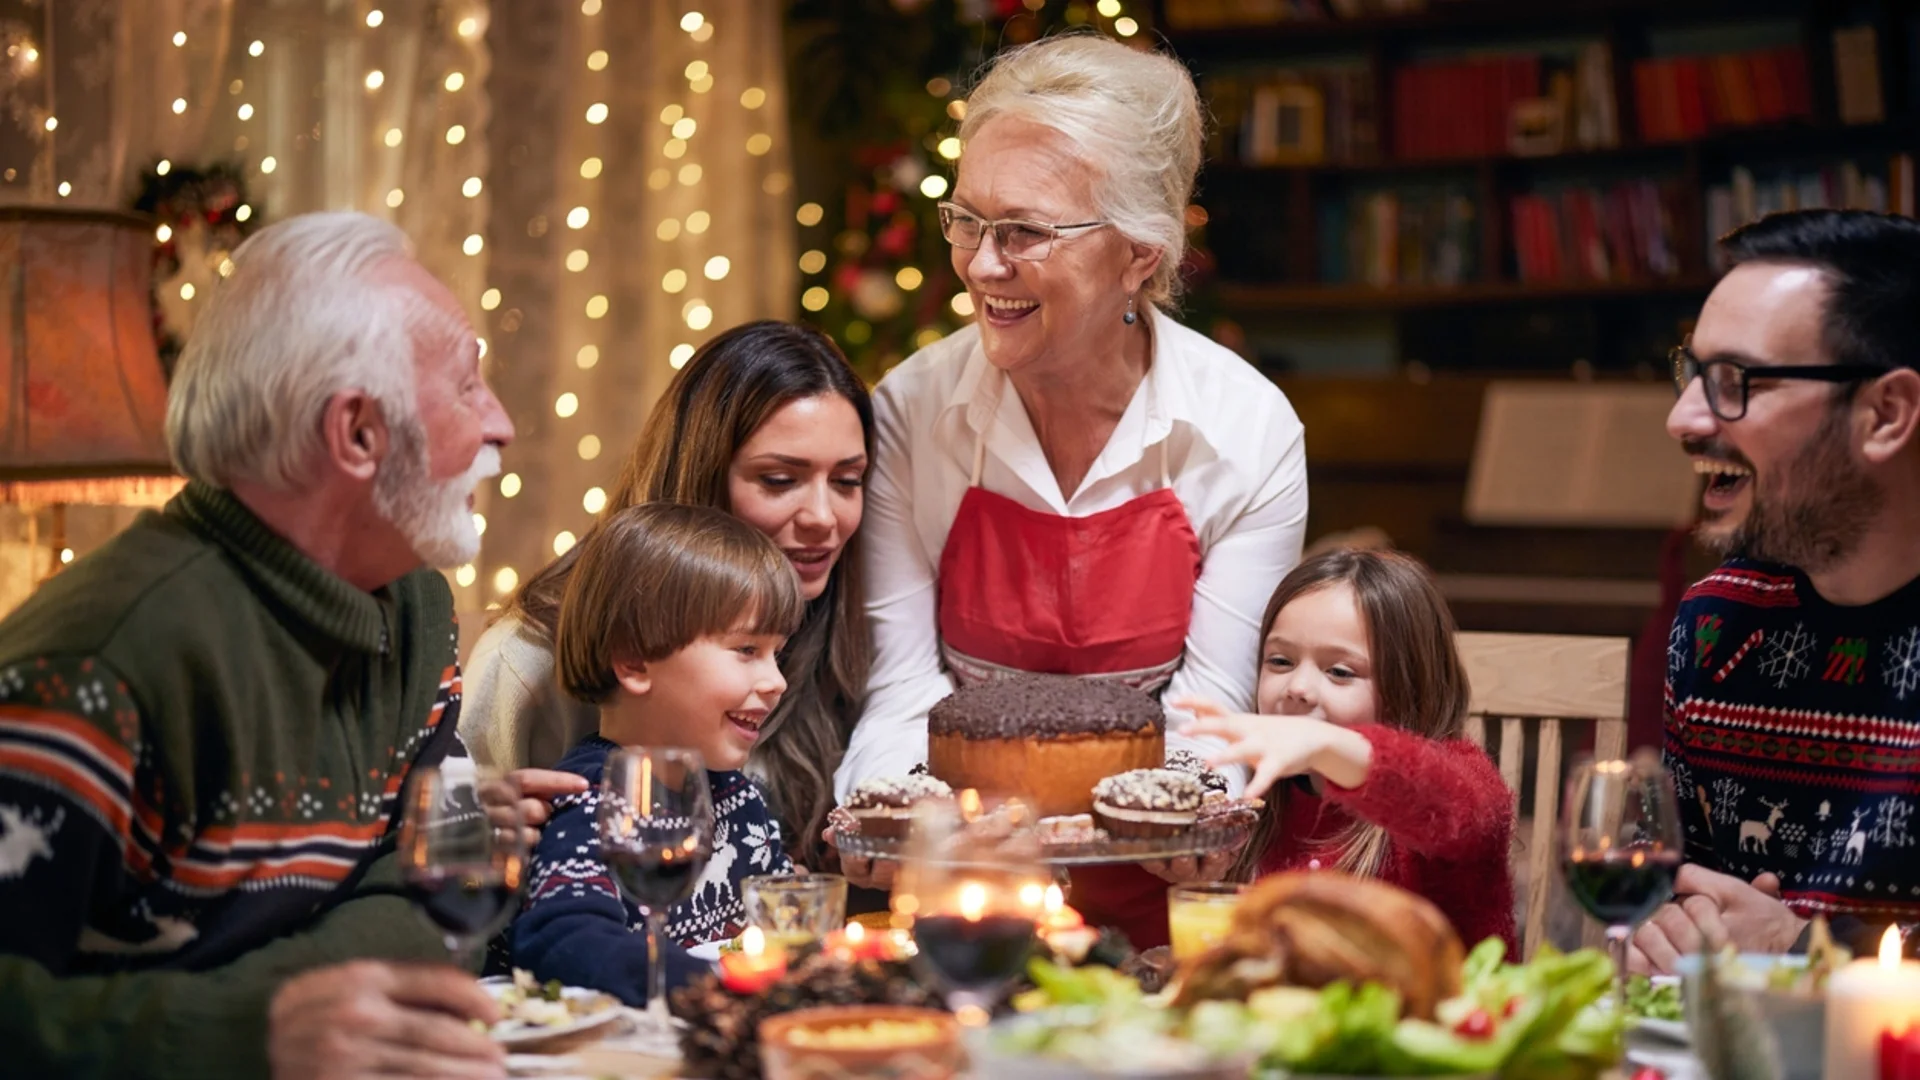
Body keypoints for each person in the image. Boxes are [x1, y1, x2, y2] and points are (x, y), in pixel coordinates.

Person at [0, 212, 519, 1079]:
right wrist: (249, 1031)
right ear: (357, 433)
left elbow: (458, 874)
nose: (500, 424)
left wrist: (318, 1008)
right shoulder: (100, 667)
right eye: (469, 387)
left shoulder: (419, 608)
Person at [831, 33, 1309, 947]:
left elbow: (1208, 710)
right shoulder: (911, 410)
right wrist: (892, 825)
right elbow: (901, 688)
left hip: (1163, 906)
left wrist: (1178, 826)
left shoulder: (1246, 432)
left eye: (1025, 231)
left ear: (1140, 252)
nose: (979, 265)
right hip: (954, 895)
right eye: (965, 220)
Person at [463, 320, 870, 870]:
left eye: (847, 481)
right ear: (701, 474)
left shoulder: (838, 632)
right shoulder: (527, 660)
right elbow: (456, 864)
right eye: (778, 480)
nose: (824, 518)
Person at [1631, 209, 1920, 974]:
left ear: (1886, 414)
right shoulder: (1718, 623)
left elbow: (1769, 941)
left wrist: (1802, 948)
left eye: (1734, 382)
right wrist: (1660, 929)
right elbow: (1663, 883)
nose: (1682, 418)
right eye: (1689, 375)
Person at [511, 504, 800, 1004]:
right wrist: (727, 989)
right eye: (747, 649)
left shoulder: (741, 797)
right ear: (634, 661)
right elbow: (564, 943)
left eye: (778, 652)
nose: (777, 681)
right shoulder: (592, 803)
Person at [1180, 549, 1517, 953]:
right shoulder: (1254, 799)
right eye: (1281, 661)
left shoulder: (1459, 780)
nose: (1298, 687)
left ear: (1408, 687)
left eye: (1340, 672)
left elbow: (1461, 809)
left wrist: (1328, 745)